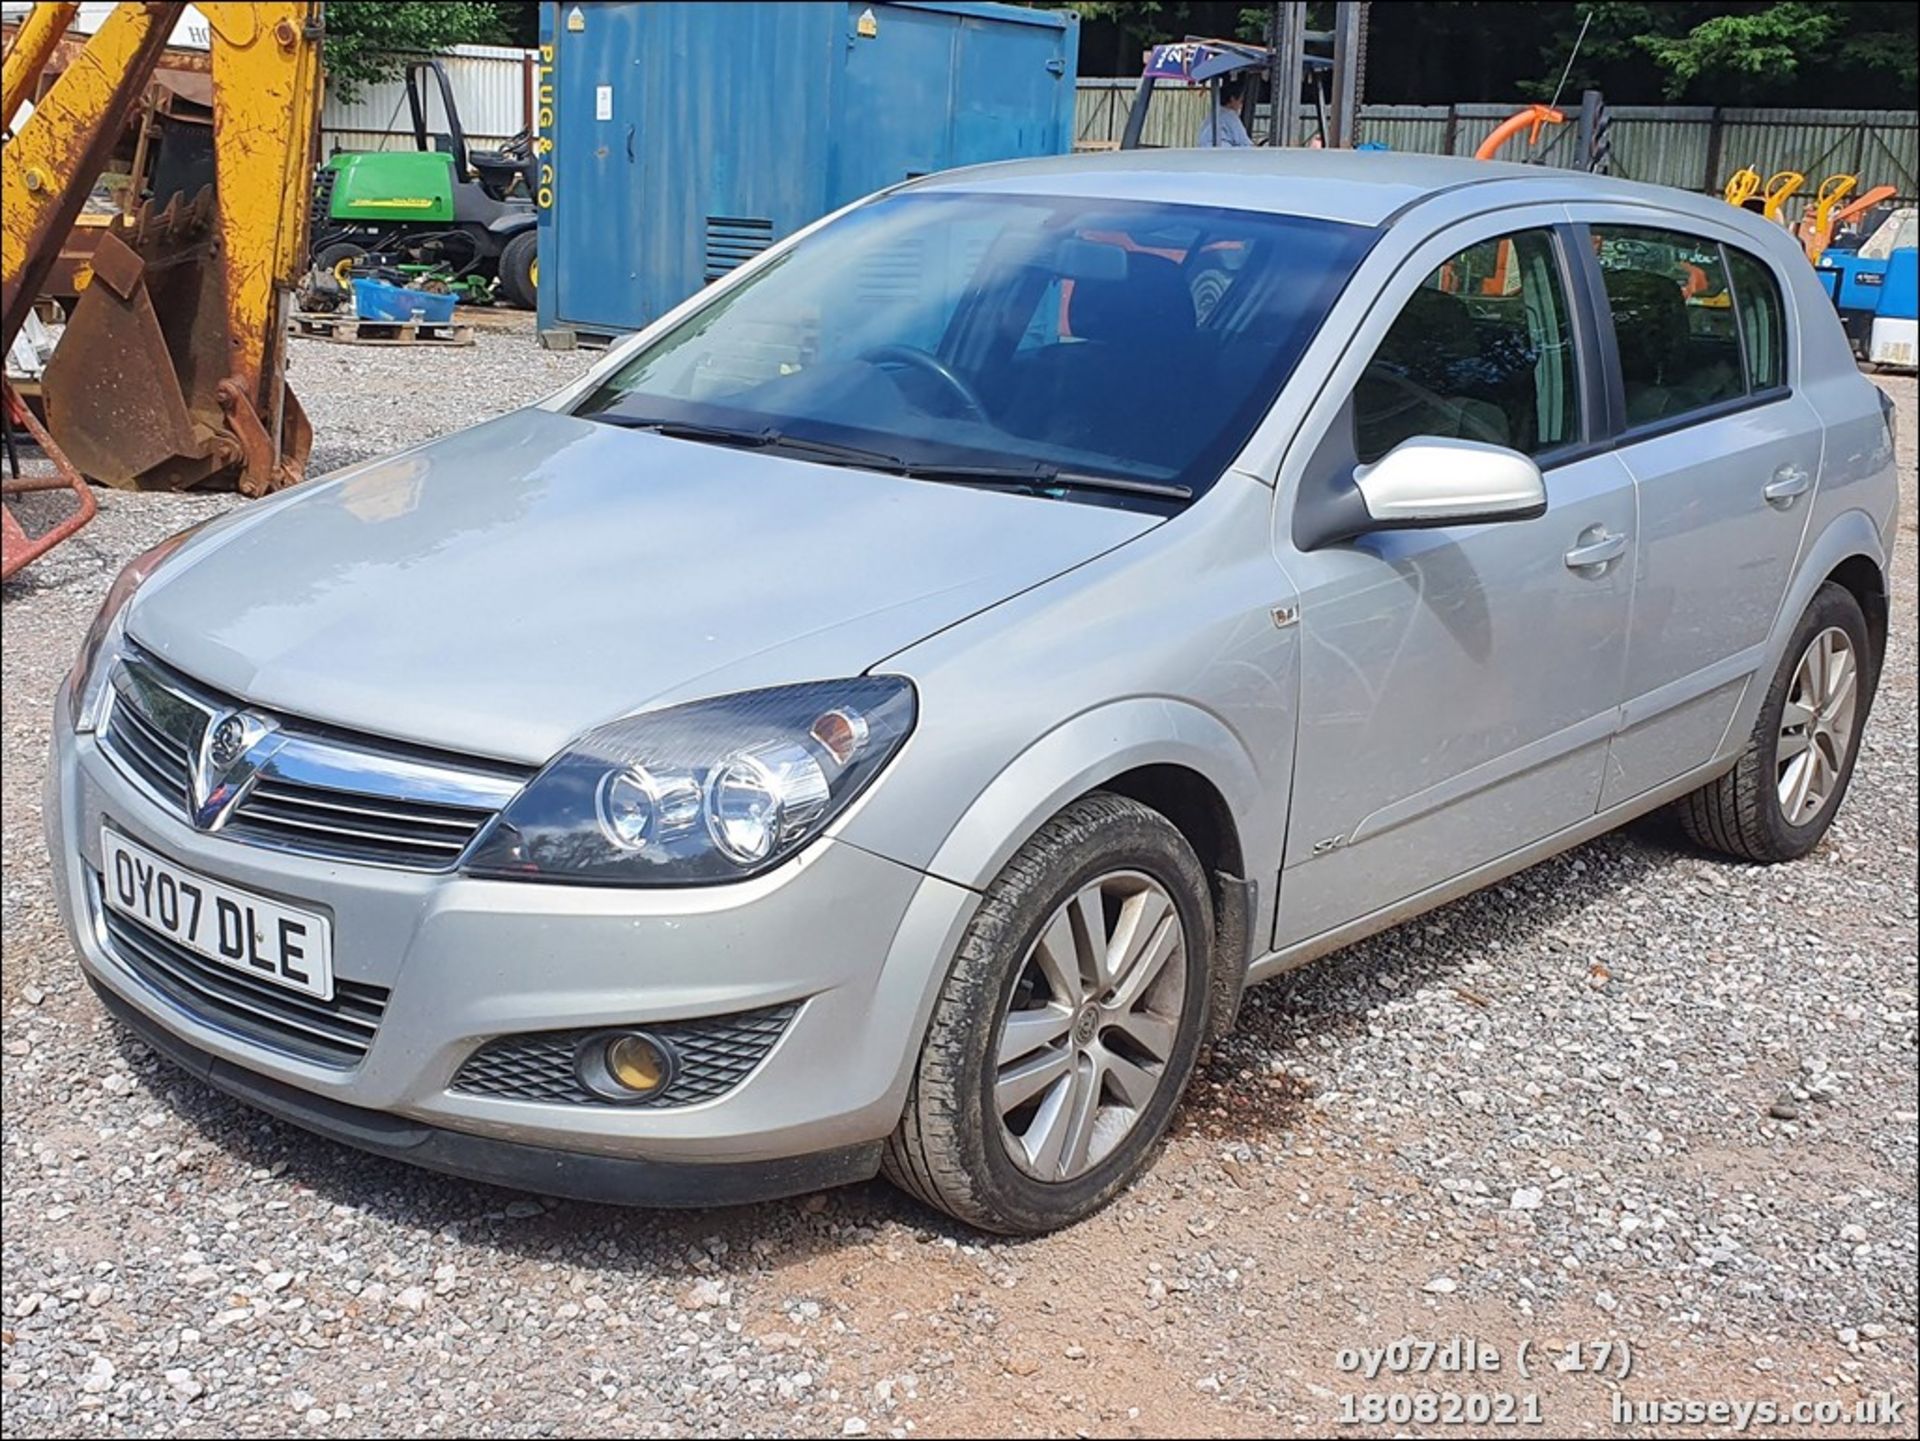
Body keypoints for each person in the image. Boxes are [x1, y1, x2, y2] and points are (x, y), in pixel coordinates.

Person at [1195, 74, 1253, 148]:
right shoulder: (1230, 116)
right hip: (1225, 155)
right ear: (1232, 99)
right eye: (1240, 101)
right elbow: (1246, 143)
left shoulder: (1212, 115)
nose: (1241, 105)